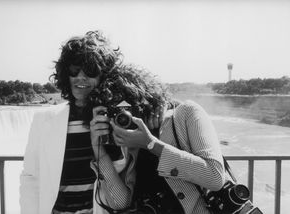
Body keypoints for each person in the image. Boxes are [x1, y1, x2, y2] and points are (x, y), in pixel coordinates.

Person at [19, 31, 161, 214]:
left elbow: (121, 200)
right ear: (65, 74)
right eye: (74, 70)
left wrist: (160, 106)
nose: (81, 77)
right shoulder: (44, 120)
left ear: (104, 77)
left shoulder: (117, 121)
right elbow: (31, 177)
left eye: (91, 71)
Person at [104, 65, 226, 214]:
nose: (123, 116)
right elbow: (120, 202)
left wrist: (151, 144)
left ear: (144, 98)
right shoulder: (128, 141)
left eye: (128, 107)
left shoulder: (186, 113)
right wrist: (99, 153)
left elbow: (215, 177)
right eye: (117, 110)